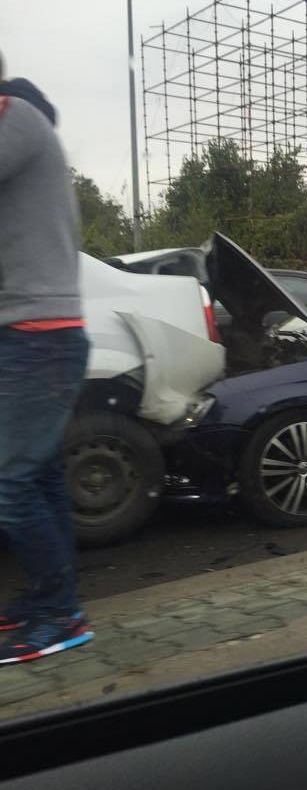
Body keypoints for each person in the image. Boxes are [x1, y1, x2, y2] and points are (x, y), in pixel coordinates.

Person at [0, 54, 93, 664]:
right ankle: (53, 597)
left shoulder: (21, 120)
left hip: (41, 337)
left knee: (8, 484)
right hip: (35, 336)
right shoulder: (26, 135)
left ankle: (61, 612)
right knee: (36, 476)